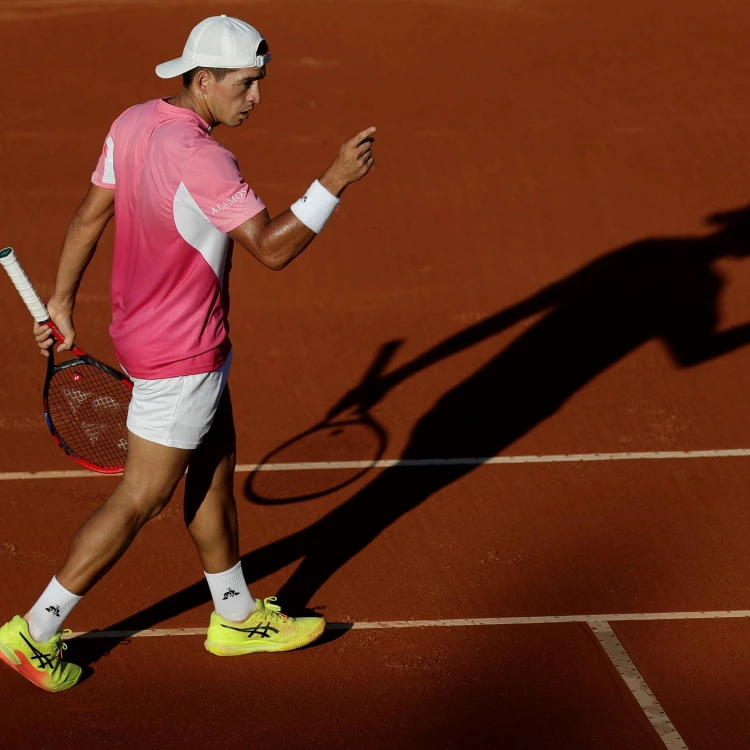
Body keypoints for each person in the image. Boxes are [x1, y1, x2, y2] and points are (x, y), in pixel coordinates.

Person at [0, 14, 375, 693]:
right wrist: (334, 181)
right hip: (183, 353)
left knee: (215, 461)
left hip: (144, 332)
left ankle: (234, 615)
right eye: (245, 85)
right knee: (141, 497)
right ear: (203, 81)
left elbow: (90, 215)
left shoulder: (133, 122)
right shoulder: (206, 160)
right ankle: (36, 630)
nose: (255, 98)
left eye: (259, 83)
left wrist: (60, 301)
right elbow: (273, 248)